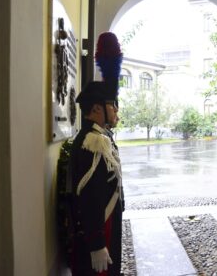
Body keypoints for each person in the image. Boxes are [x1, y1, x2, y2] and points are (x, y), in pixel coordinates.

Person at [69, 32, 124, 275]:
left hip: (108, 221)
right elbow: (90, 196)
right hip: (101, 227)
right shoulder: (93, 141)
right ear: (96, 109)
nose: (116, 112)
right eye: (113, 106)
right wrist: (96, 243)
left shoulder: (100, 137)